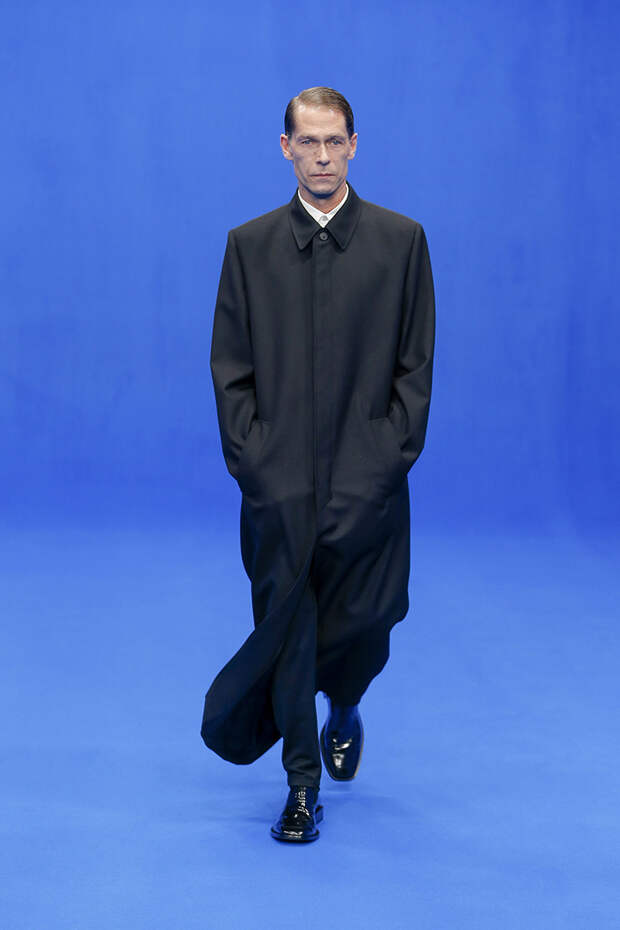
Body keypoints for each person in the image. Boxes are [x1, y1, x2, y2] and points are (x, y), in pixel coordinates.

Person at [201, 86, 435, 843]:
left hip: (369, 484)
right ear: (286, 148)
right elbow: (230, 369)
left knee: (370, 619)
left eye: (335, 141)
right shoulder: (250, 246)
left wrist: (388, 458)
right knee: (290, 628)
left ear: (355, 145)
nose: (323, 157)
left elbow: (414, 368)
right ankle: (302, 787)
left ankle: (347, 701)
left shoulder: (401, 242)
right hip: (282, 488)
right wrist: (256, 464)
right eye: (309, 142)